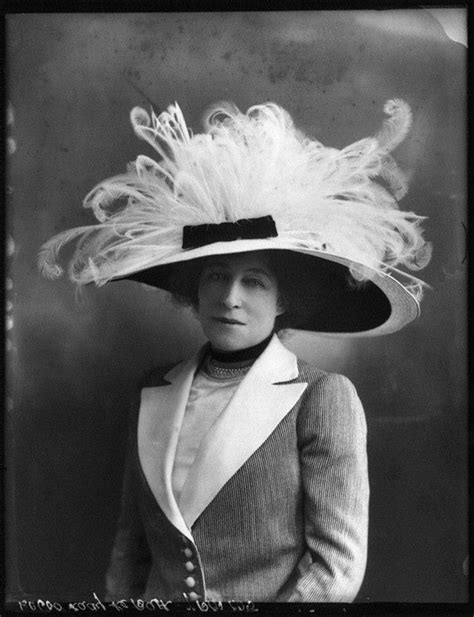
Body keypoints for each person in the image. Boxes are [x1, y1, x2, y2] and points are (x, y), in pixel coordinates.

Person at [39, 99, 431, 602]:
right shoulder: (152, 389)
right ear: (192, 291)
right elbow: (130, 551)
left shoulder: (322, 397)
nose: (230, 298)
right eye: (216, 277)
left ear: (284, 299)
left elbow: (336, 569)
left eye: (255, 282)